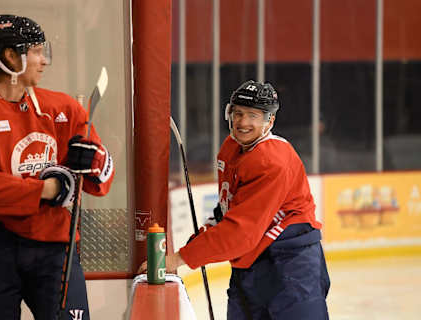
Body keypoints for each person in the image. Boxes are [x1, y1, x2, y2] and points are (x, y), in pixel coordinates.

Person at [0, 14, 114, 320]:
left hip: (55, 247)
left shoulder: (63, 108)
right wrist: (50, 188)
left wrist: (94, 163)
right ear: (11, 56)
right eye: (36, 51)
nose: (44, 60)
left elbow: (100, 181)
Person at [139, 80, 330, 319]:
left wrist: (181, 258)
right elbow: (227, 210)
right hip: (251, 263)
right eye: (238, 113)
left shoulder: (272, 161)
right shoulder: (231, 148)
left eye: (253, 115)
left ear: (269, 121)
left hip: (290, 264)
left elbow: (241, 231)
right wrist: (196, 243)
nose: (242, 122)